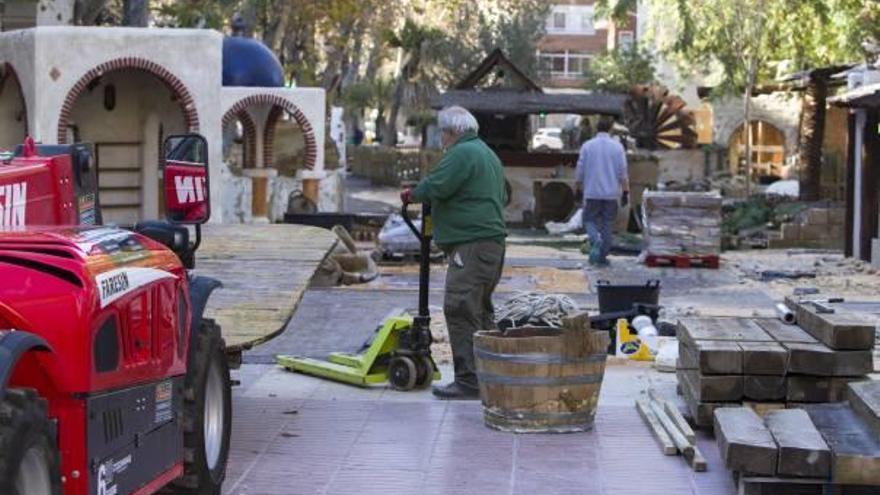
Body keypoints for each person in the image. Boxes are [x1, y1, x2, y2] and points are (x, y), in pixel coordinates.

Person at [400, 106, 507, 400]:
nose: (441, 139)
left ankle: (469, 381)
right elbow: (505, 194)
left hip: (472, 244)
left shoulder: (462, 153)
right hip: (491, 244)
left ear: (452, 131)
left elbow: (438, 184)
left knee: (460, 308)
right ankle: (493, 375)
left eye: (442, 133)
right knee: (481, 311)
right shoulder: (486, 153)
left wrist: (412, 194)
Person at [575, 116, 629, 266]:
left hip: (592, 192)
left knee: (588, 220)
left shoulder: (587, 146)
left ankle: (594, 239)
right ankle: (602, 257)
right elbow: (623, 173)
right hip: (611, 193)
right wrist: (625, 192)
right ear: (611, 129)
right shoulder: (617, 147)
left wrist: (578, 189)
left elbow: (580, 170)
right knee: (607, 224)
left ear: (596, 128)